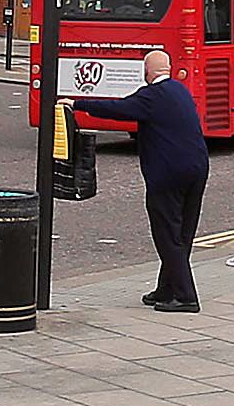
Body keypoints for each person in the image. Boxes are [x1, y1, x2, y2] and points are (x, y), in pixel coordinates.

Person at [83, 44, 210, 311]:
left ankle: (186, 297)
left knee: (166, 234)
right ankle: (166, 290)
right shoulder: (180, 91)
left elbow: (118, 109)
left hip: (168, 174)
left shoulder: (152, 96)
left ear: (147, 71)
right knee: (183, 233)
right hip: (197, 169)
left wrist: (77, 103)